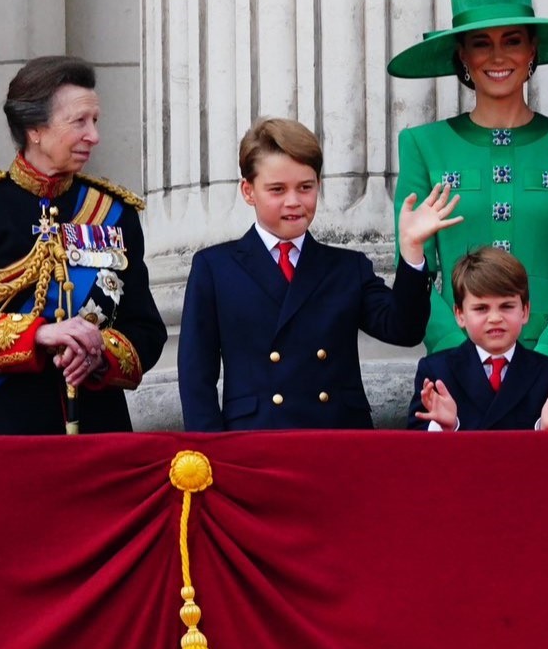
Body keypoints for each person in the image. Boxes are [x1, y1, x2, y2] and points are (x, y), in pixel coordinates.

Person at [0, 56, 166, 434]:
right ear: (35, 128)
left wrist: (98, 352)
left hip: (98, 428)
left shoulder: (114, 213)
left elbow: (147, 331)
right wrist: (37, 335)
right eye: (79, 122)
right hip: (2, 429)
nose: (94, 136)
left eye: (95, 121)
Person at [178, 118, 463, 430]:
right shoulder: (215, 267)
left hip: (337, 437)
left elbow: (404, 330)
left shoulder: (347, 267)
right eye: (277, 189)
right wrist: (209, 449)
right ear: (248, 191)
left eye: (305, 187)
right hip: (255, 438)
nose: (293, 202)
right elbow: (196, 373)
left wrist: (412, 250)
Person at [389, 0, 548, 381]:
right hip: (454, 375)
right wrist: (456, 356)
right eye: (481, 44)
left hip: (547, 371)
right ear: (463, 55)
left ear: (532, 49)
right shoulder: (423, 145)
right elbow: (414, 267)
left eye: (512, 41)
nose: (498, 56)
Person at [407, 247, 548, 431]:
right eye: (481, 308)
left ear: (525, 311)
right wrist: (446, 427)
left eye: (507, 306)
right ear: (460, 314)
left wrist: (546, 429)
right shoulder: (436, 372)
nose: (495, 318)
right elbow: (412, 442)